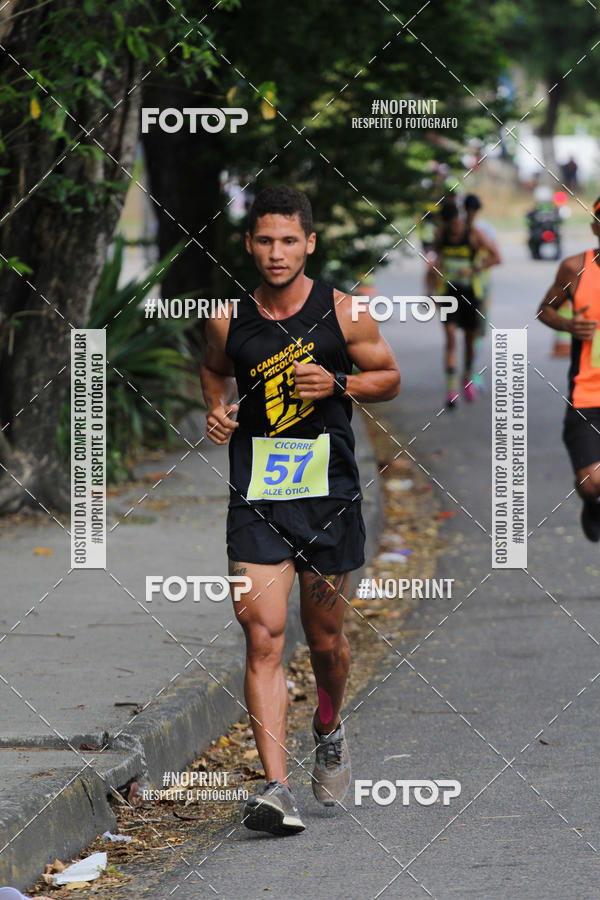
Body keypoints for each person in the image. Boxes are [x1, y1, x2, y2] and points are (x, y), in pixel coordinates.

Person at [200, 185, 400, 835]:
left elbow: (388, 378)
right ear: (250, 244)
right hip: (257, 499)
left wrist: (339, 383)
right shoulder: (229, 319)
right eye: (265, 240)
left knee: (326, 642)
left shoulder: (343, 314)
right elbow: (212, 368)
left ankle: (328, 724)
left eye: (289, 240)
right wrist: (218, 407)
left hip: (330, 498)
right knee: (262, 635)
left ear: (309, 243)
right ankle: (276, 788)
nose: (276, 252)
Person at [537, 197, 600, 542]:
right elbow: (545, 310)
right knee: (591, 483)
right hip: (587, 393)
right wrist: (569, 326)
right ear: (595, 228)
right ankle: (592, 503)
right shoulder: (575, 268)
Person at [429, 200, 501, 408]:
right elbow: (433, 263)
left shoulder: (473, 234)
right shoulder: (441, 236)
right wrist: (431, 291)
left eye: (454, 224)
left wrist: (473, 270)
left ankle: (467, 377)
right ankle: (451, 391)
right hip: (448, 295)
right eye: (448, 225)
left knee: (469, 341)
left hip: (472, 294)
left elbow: (496, 257)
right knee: (450, 339)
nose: (452, 228)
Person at [464, 194, 501, 389]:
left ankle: (472, 371)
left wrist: (475, 268)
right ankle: (468, 373)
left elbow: (497, 257)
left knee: (477, 331)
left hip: (480, 287)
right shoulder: (456, 229)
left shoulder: (484, 230)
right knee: (463, 332)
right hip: (459, 287)